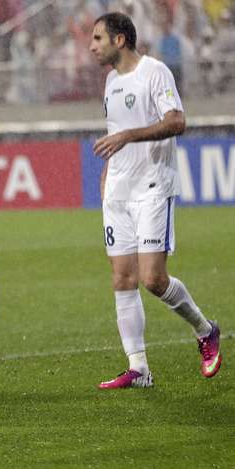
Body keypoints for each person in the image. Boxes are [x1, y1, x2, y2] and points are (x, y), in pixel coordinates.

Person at [89, 12, 221, 389]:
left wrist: (130, 136)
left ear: (119, 40)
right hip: (118, 190)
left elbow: (177, 121)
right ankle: (138, 369)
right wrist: (106, 173)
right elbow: (115, 133)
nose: (91, 46)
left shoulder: (155, 72)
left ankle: (205, 330)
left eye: (98, 38)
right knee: (122, 278)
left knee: (152, 278)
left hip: (152, 187)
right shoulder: (111, 81)